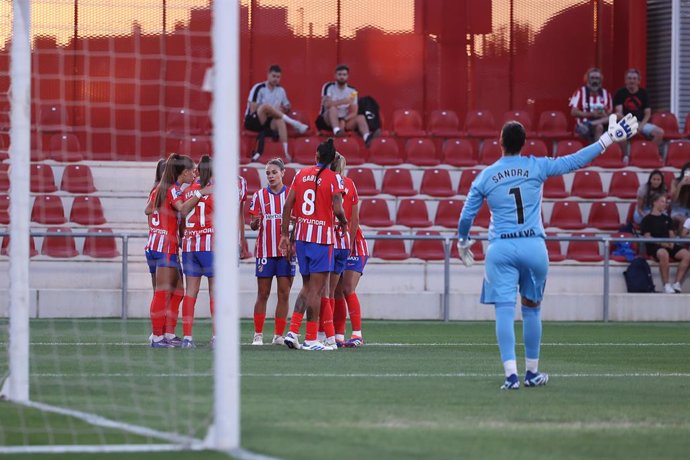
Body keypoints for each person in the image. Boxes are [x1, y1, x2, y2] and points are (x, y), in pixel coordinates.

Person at [457, 114, 638, 389]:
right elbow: (575, 160)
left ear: (500, 143)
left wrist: (462, 241)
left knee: (504, 311)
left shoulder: (486, 176)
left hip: (501, 248)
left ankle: (511, 376)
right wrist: (607, 139)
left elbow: (466, 216)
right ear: (524, 144)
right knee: (532, 310)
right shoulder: (537, 166)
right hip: (533, 247)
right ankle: (532, 373)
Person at [279, 138, 347, 351]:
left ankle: (292, 332)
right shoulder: (334, 178)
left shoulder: (300, 174)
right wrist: (344, 222)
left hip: (301, 237)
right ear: (333, 159)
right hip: (321, 239)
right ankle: (310, 339)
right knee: (316, 291)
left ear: (317, 156)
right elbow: (337, 207)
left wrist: (284, 235)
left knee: (307, 287)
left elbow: (288, 205)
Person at [146, 153, 211, 348]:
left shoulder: (159, 188)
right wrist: (201, 193)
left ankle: (168, 333)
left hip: (156, 245)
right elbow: (182, 209)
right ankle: (157, 337)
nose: (194, 173)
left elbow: (148, 210)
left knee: (179, 292)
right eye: (191, 170)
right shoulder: (173, 190)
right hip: (165, 247)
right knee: (163, 292)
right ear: (182, 173)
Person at [248, 158, 296, 346]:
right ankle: (258, 334)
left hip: (285, 252)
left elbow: (299, 219)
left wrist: (294, 223)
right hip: (265, 251)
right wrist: (254, 223)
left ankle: (278, 335)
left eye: (274, 172)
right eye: (268, 173)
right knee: (263, 293)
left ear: (283, 173)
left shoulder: (292, 195)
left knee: (284, 293)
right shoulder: (259, 196)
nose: (271, 176)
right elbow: (252, 223)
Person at [331, 153, 367, 347]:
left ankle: (357, 334)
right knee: (335, 291)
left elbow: (354, 220)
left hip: (353, 243)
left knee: (346, 288)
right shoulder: (327, 183)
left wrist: (350, 243)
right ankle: (338, 335)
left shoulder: (348, 184)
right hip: (335, 241)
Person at [180, 155, 215, 349]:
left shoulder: (187, 192)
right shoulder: (216, 191)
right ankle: (216, 337)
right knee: (214, 293)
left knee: (190, 292)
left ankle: (187, 338)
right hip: (210, 245)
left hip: (190, 246)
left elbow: (181, 218)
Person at [318, 153, 350, 348]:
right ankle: (338, 334)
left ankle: (323, 333)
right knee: (336, 292)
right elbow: (353, 217)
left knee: (324, 291)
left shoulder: (324, 183)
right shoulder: (350, 184)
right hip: (344, 242)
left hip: (327, 240)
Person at [245, 64, 308, 162]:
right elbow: (253, 108)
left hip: (269, 121)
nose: (275, 79)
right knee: (266, 106)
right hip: (254, 120)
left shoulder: (281, 90)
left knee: (279, 120)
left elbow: (287, 106)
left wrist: (282, 109)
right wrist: (272, 109)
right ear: (268, 75)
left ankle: (285, 153)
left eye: (278, 77)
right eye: (273, 76)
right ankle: (295, 123)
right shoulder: (258, 87)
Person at [316, 64, 377, 147]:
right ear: (335, 75)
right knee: (332, 108)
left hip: (344, 120)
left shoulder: (352, 91)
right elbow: (326, 104)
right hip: (327, 119)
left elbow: (354, 111)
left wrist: (344, 120)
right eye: (339, 74)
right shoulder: (328, 87)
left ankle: (367, 137)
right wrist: (344, 101)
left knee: (360, 117)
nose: (342, 77)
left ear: (347, 76)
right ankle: (336, 130)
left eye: (344, 75)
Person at [640, 193, 690, 293]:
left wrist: (671, 241)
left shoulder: (667, 219)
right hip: (655, 246)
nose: (665, 204)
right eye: (662, 202)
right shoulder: (646, 219)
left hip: (669, 244)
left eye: (665, 202)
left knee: (687, 255)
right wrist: (663, 243)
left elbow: (671, 234)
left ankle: (677, 283)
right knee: (663, 253)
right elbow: (648, 237)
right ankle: (666, 285)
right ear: (655, 202)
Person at [614, 68, 664, 146]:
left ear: (638, 81)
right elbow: (619, 114)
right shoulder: (620, 93)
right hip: (625, 123)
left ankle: (649, 153)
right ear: (625, 81)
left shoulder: (644, 93)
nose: (632, 81)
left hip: (640, 123)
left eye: (634, 79)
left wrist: (640, 126)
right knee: (620, 134)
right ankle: (625, 156)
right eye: (629, 78)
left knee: (659, 133)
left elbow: (648, 113)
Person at [569, 67, 613, 142]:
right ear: (587, 80)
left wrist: (603, 114)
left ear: (601, 80)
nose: (595, 81)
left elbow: (609, 114)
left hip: (603, 123)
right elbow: (573, 112)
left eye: (597, 78)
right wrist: (592, 114)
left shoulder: (606, 94)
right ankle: (596, 153)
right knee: (599, 127)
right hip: (583, 124)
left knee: (618, 122)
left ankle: (625, 154)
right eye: (592, 78)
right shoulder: (580, 92)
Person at [145, 159, 167, 292]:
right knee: (170, 290)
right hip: (164, 245)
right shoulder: (166, 192)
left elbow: (149, 215)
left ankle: (156, 313)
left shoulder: (153, 191)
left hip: (152, 243)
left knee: (157, 290)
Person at [670, 162, 690, 231]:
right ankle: (679, 240)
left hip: (688, 210)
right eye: (687, 172)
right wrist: (680, 185)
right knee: (685, 220)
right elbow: (673, 200)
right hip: (677, 210)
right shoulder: (676, 182)